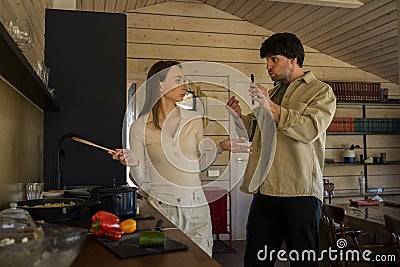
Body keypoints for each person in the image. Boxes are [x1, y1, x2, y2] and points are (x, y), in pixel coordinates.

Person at [111, 60, 250, 256]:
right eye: (178, 80)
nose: (185, 86)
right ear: (159, 85)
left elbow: (198, 165)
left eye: (184, 80)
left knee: (202, 260)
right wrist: (133, 164)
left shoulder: (193, 120)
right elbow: (141, 179)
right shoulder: (140, 127)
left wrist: (220, 147)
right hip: (162, 209)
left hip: (197, 207)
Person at [224, 33, 336, 266]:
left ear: (293, 58)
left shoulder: (321, 92)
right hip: (264, 191)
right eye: (267, 60)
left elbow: (309, 130)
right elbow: (256, 131)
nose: (268, 66)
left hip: (300, 194)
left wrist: (271, 108)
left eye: (274, 59)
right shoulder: (273, 93)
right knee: (255, 261)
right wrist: (237, 118)